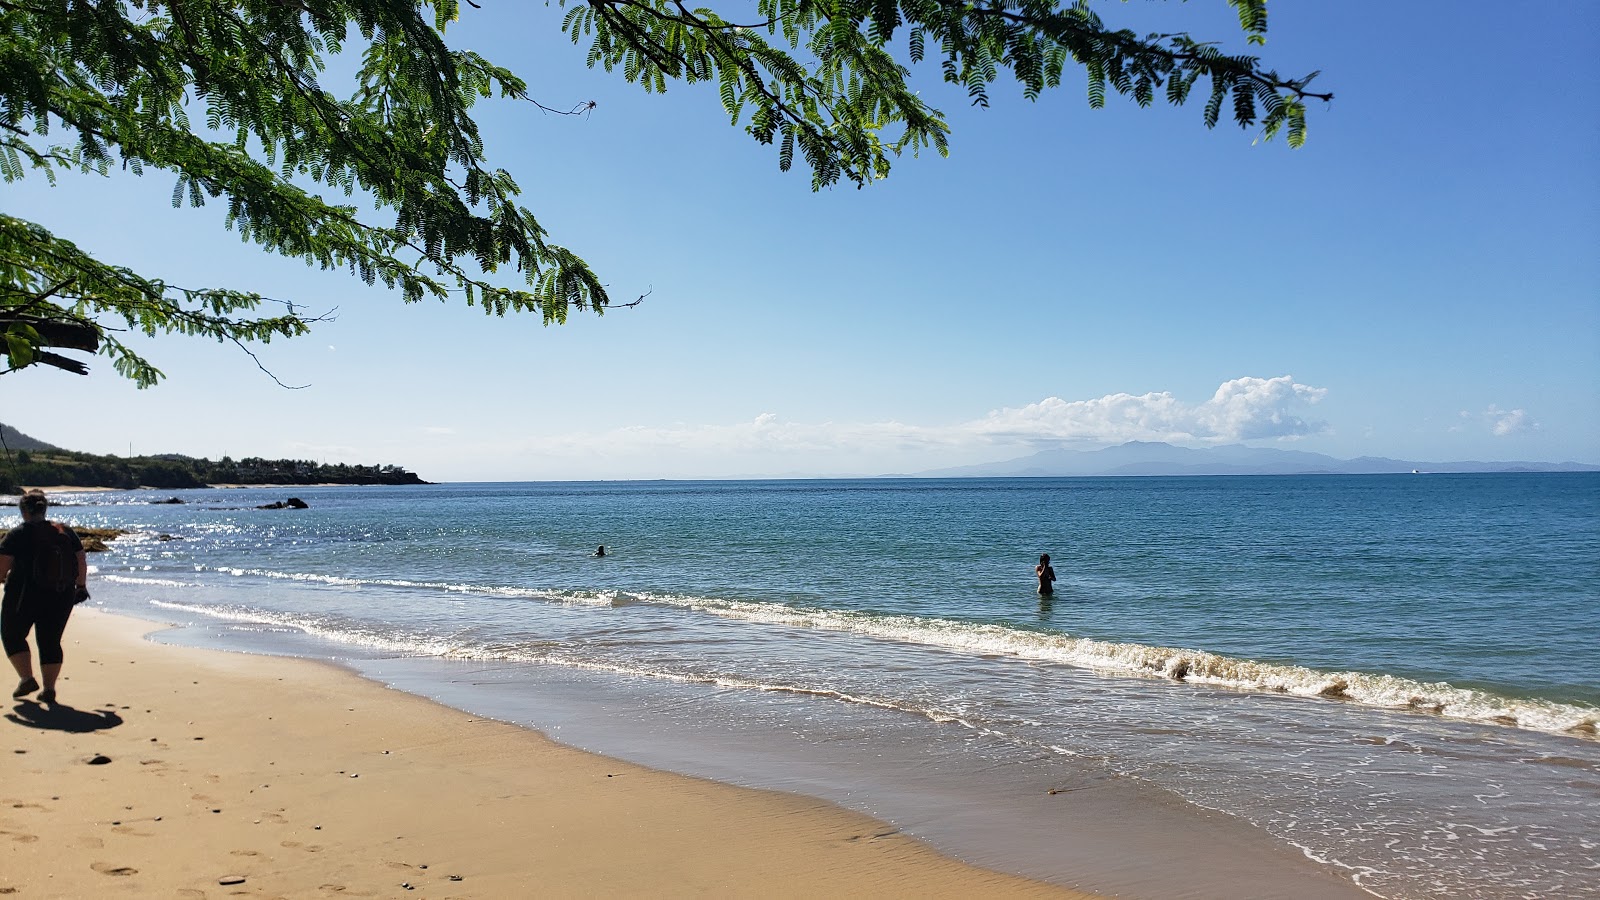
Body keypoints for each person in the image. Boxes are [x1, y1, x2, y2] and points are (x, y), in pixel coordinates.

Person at [0, 491, 88, 705]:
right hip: (61, 593)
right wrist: (81, 586)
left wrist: (3, 579)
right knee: (50, 640)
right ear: (44, 509)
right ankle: (49, 688)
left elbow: (2, 566)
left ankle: (27, 678)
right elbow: (80, 559)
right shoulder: (65, 531)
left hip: (23, 593)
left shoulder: (17, 534)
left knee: (12, 634)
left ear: (24, 512)